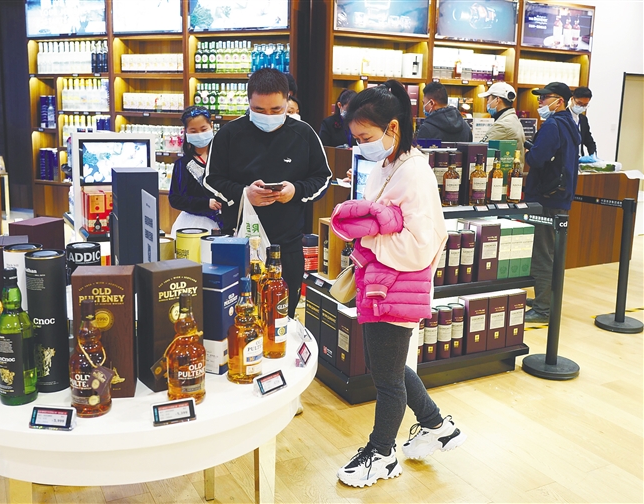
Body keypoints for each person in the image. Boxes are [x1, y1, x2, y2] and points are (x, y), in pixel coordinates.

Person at [330, 82, 466, 488]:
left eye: (364, 137)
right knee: (386, 366)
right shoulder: (387, 165)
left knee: (386, 378)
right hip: (380, 282)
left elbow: (422, 244)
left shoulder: (415, 172)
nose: (360, 145)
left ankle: (382, 453)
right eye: (356, 138)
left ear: (392, 127)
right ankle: (437, 426)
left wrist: (369, 234)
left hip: (397, 286)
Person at [204, 68, 331, 314]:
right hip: (239, 243)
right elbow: (211, 180)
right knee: (239, 315)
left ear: (288, 99)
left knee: (283, 316)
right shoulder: (229, 134)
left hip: (287, 245)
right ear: (248, 102)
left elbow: (322, 178)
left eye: (276, 109)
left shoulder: (304, 134)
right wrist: (244, 194)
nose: (268, 116)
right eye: (259, 110)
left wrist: (296, 191)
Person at [524, 82, 581, 323]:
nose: (540, 102)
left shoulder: (552, 125)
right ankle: (546, 299)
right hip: (560, 196)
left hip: (545, 197)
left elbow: (537, 159)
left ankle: (543, 308)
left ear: (559, 101)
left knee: (542, 253)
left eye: (545, 98)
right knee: (552, 252)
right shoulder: (570, 124)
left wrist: (529, 152)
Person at [168, 106, 222, 232]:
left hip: (224, 223)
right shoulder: (182, 164)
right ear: (186, 132)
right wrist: (205, 203)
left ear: (211, 126)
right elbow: (175, 199)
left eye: (203, 129)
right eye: (193, 131)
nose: (199, 134)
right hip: (193, 225)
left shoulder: (223, 158)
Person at [479, 81, 526, 158]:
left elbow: (480, 150)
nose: (487, 103)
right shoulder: (512, 119)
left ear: (497, 100)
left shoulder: (502, 125)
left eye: (488, 99)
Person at [570, 87, 598, 162]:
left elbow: (588, 140)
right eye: (579, 103)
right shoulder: (563, 117)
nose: (581, 107)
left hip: (579, 161)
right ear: (572, 99)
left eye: (585, 105)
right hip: (567, 161)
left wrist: (593, 154)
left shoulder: (583, 119)